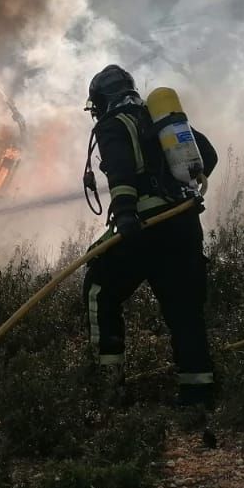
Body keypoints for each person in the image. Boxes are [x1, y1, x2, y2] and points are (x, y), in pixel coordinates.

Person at [81, 64, 219, 428]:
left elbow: (121, 171)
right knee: (184, 308)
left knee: (99, 290)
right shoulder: (163, 123)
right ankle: (198, 391)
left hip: (145, 230)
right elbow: (209, 156)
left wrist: (126, 211)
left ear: (101, 101)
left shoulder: (113, 125)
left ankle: (108, 388)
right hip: (185, 227)